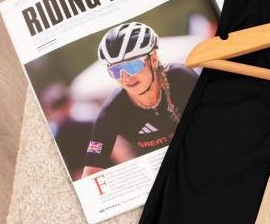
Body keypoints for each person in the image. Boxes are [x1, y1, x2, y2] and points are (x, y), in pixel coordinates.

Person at [81, 20, 198, 178]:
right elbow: (90, 174)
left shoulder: (181, 78)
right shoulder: (113, 109)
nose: (125, 77)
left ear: (153, 58)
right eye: (115, 70)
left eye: (132, 66)